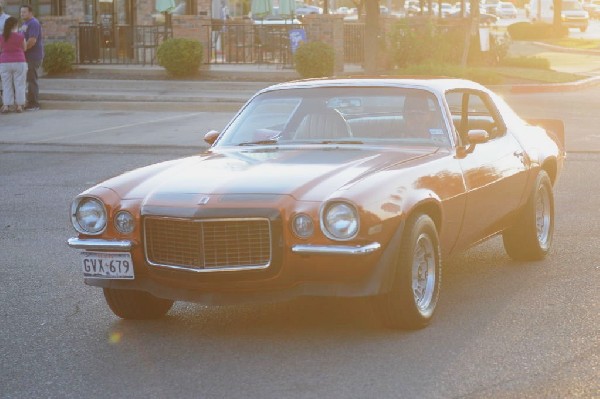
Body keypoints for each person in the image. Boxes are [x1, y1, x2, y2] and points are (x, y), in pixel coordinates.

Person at [0, 16, 27, 113]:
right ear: (16, 25)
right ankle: (19, 106)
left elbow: (0, 49)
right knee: (19, 84)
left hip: (4, 62)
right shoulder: (20, 36)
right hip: (19, 61)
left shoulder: (1, 36)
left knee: (6, 85)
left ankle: (6, 105)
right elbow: (25, 48)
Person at [20, 4, 43, 111]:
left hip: (33, 56)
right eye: (21, 12)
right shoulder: (25, 23)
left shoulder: (33, 23)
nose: (22, 14)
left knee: (32, 79)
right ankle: (30, 102)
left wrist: (22, 50)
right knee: (29, 79)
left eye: (24, 12)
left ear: (30, 12)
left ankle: (34, 104)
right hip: (26, 56)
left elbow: (32, 41)